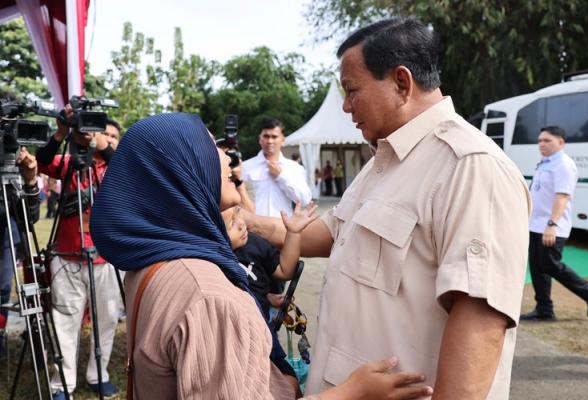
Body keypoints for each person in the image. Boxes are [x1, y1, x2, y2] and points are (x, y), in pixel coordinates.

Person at [242, 17, 531, 400]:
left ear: (401, 82)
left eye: (352, 90)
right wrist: (242, 220)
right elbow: (326, 232)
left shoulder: (471, 167)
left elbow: (481, 324)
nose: (345, 106)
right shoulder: (384, 161)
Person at [89, 112, 433, 400]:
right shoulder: (207, 297)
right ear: (180, 169)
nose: (227, 157)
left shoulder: (158, 262)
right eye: (210, 148)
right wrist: (353, 392)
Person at [36, 107, 122, 399]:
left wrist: (101, 143)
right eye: (102, 133)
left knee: (107, 319)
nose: (105, 139)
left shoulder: (118, 167)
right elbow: (43, 162)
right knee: (65, 319)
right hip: (68, 255)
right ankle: (63, 383)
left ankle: (99, 374)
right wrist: (61, 132)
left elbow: (123, 163)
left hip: (107, 257)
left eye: (112, 137)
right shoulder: (71, 161)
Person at [223, 201, 318, 396]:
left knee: (289, 383)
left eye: (238, 214)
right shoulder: (212, 258)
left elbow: (285, 269)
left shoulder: (254, 243)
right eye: (231, 223)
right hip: (232, 340)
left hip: (263, 330)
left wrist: (293, 233)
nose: (242, 224)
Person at [520, 126, 588, 321]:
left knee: (550, 265)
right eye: (539, 140)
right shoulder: (545, 163)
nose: (541, 144)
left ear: (561, 142)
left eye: (547, 140)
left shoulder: (563, 164)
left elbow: (562, 197)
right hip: (535, 225)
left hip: (551, 227)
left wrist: (552, 224)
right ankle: (544, 309)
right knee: (537, 267)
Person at [0, 148, 41, 356]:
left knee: (2, 290)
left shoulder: (16, 158)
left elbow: (31, 218)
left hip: (7, 234)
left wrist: (30, 181)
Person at [242, 119, 311, 217]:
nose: (270, 141)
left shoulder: (294, 168)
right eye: (266, 136)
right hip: (254, 227)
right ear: (259, 139)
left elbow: (304, 200)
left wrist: (281, 176)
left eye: (274, 137)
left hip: (283, 228)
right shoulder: (246, 166)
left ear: (282, 140)